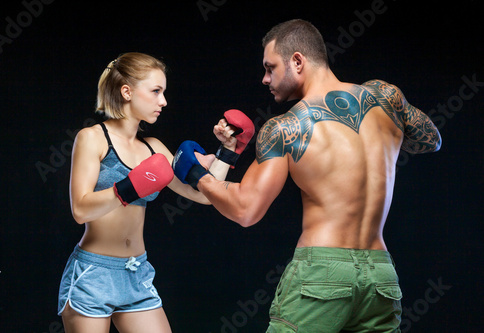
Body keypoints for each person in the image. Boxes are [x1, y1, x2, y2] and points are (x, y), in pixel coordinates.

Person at [173, 19, 442, 332]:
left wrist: (195, 174)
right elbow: (432, 140)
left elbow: (245, 209)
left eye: (270, 67)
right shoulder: (386, 97)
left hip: (321, 276)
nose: (265, 78)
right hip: (380, 277)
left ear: (297, 61)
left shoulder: (287, 127)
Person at [57, 52, 236, 333]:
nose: (163, 101)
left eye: (163, 92)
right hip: (94, 274)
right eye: (155, 91)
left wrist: (228, 152)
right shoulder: (92, 138)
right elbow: (80, 210)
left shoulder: (154, 147)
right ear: (126, 92)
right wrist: (129, 186)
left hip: (136, 272)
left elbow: (204, 195)